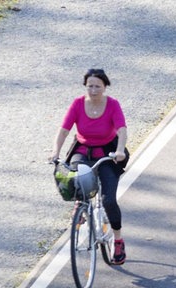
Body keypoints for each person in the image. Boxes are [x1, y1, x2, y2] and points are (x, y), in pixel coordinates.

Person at [50, 68, 130, 265]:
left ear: (104, 87)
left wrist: (120, 151)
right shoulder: (78, 104)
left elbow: (121, 129)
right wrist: (55, 152)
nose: (93, 90)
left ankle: (118, 240)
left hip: (108, 152)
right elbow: (64, 130)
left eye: (97, 86)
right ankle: (81, 205)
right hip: (83, 149)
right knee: (74, 178)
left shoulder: (112, 105)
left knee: (109, 200)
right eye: (90, 86)